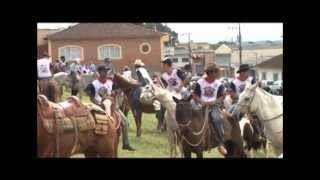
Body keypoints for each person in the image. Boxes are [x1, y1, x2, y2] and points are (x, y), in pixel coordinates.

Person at [85, 65, 135, 151]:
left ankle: (126, 143)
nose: (106, 73)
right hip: (98, 107)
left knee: (125, 122)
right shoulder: (93, 84)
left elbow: (117, 91)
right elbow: (91, 97)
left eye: (106, 71)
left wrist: (115, 93)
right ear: (99, 72)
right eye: (104, 71)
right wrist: (98, 103)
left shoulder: (111, 83)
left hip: (112, 106)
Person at [192, 62, 227, 156]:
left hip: (213, 106)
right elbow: (194, 95)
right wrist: (201, 101)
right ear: (211, 73)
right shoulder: (200, 82)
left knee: (217, 119)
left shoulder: (219, 84)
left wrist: (214, 102)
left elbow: (222, 96)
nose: (218, 74)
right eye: (216, 72)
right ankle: (184, 139)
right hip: (201, 106)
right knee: (190, 118)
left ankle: (220, 143)